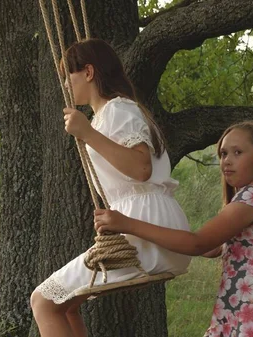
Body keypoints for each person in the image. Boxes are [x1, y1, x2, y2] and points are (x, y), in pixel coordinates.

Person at [30, 38, 191, 337]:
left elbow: (140, 169)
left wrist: (87, 133)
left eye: (69, 75)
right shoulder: (109, 114)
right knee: (65, 305)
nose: (65, 83)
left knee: (42, 300)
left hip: (146, 230)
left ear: (88, 72)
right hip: (144, 226)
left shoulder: (119, 109)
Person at [94, 120, 253, 336]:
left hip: (252, 315)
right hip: (245, 311)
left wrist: (127, 224)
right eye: (223, 154)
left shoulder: (252, 199)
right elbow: (210, 248)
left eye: (237, 152)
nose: (227, 161)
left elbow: (197, 243)